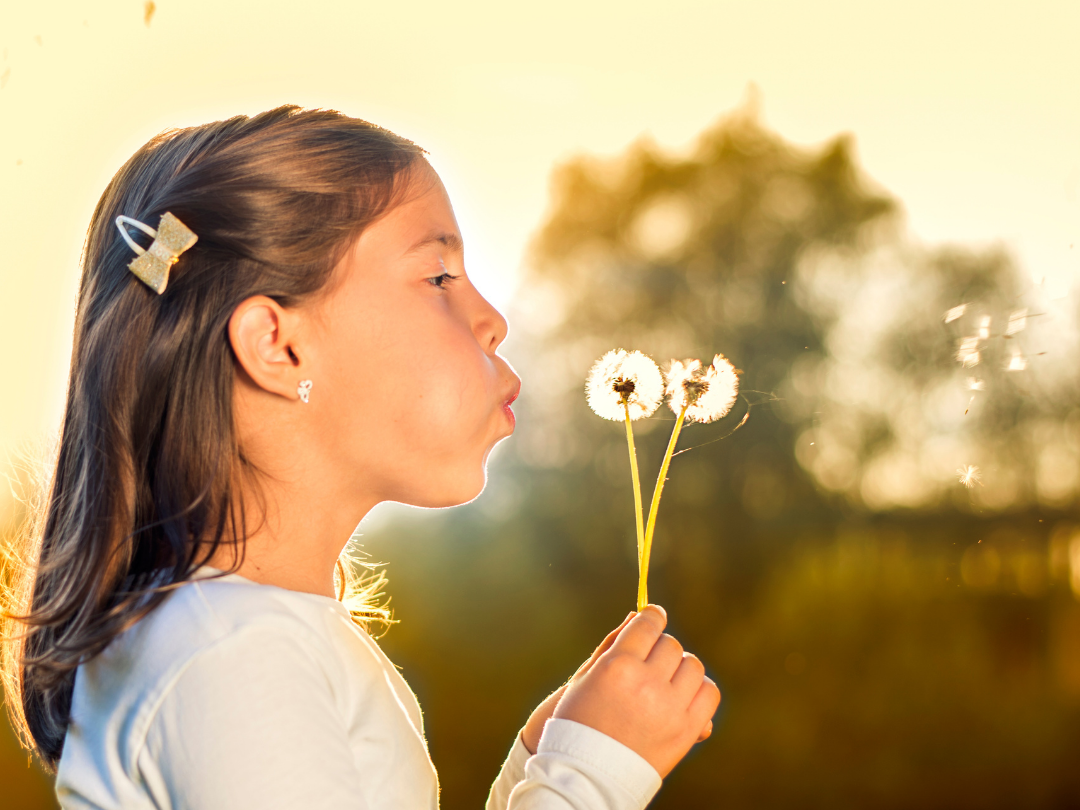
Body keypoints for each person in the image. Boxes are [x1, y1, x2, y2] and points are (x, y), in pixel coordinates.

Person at [0, 106, 720, 809]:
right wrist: (589, 779)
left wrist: (532, 778)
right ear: (279, 348)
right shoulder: (234, 657)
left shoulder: (241, 639)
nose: (493, 321)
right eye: (439, 277)